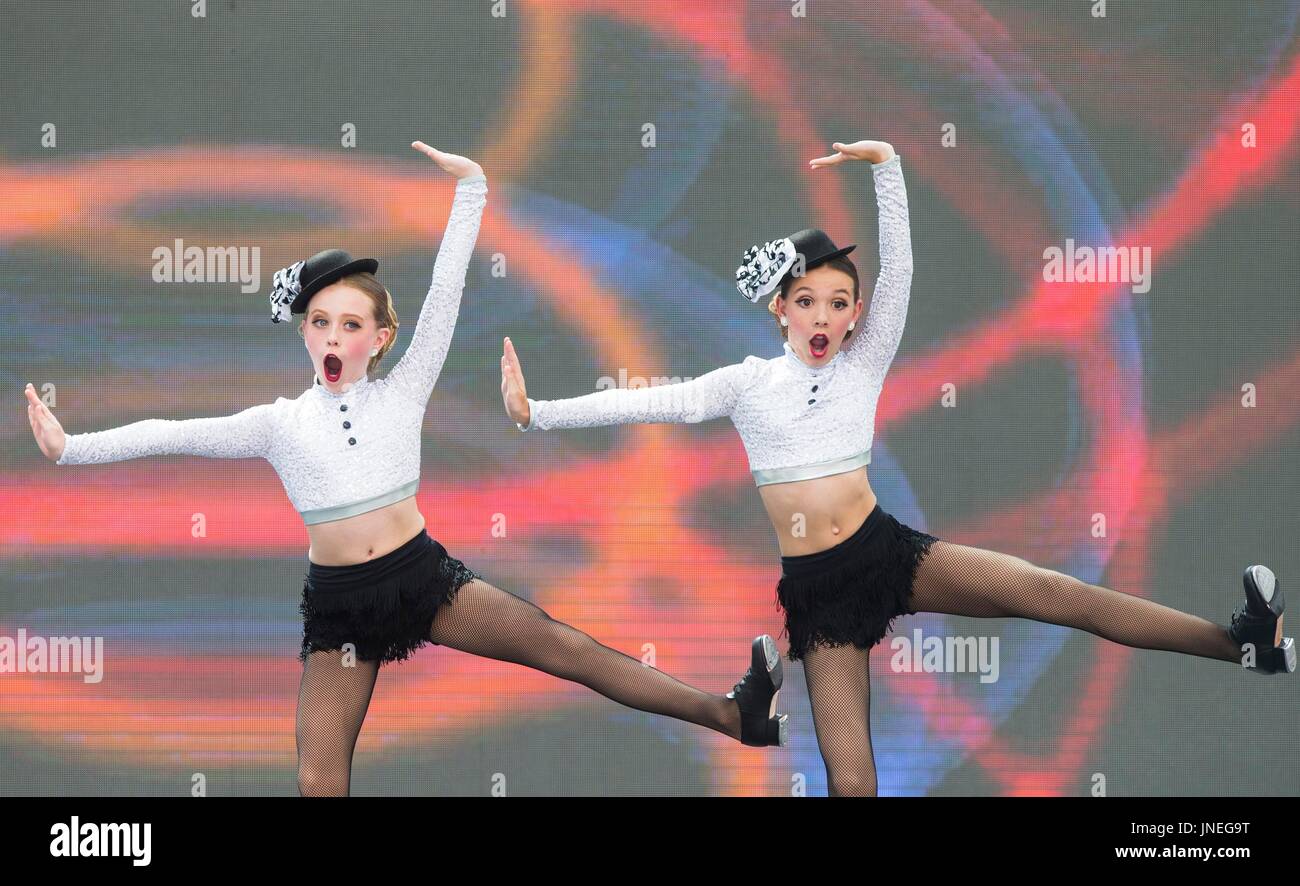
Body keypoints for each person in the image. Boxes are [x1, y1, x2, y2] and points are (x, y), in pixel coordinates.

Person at [501, 138, 1294, 796]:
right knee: (852, 785)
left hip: (889, 554)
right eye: (807, 300)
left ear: (855, 316)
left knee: (1059, 594)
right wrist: (539, 414)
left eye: (840, 303)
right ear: (780, 308)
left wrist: (887, 171)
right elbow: (653, 404)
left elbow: (902, 273)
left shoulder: (862, 364)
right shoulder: (744, 382)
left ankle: (1243, 642)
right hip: (819, 592)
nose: (824, 316)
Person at [25, 140, 786, 798]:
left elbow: (449, 290)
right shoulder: (277, 424)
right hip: (341, 607)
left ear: (381, 338)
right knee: (320, 778)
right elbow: (172, 430)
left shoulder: (405, 386)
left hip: (423, 580)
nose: (330, 335)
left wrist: (473, 192)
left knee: (569, 649)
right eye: (318, 321)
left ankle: (735, 715)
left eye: (350, 324)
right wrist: (71, 447)